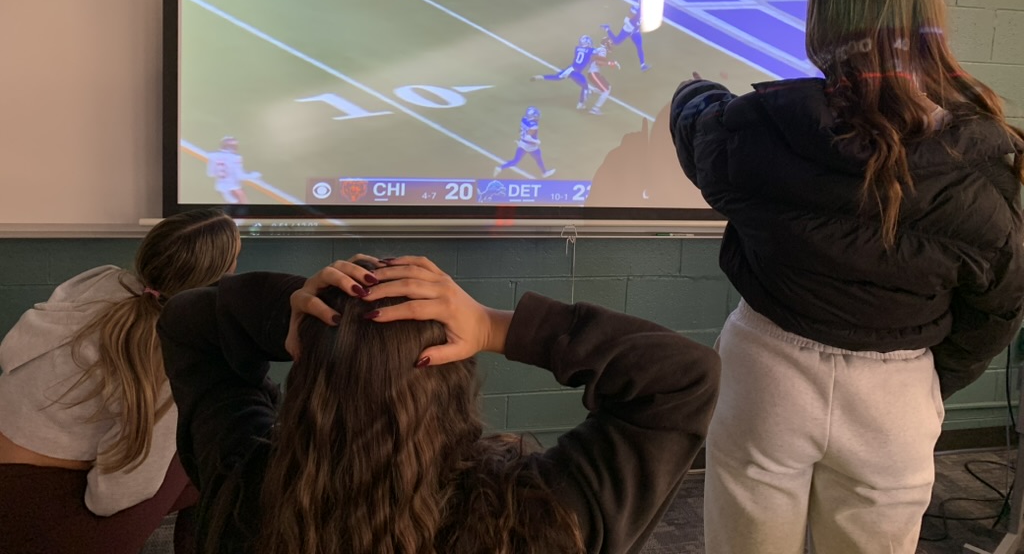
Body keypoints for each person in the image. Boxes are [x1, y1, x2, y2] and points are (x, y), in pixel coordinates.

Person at [669, 0, 1024, 554]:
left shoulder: (755, 131)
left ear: (824, 22)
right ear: (929, 22)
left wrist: (694, 91)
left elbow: (697, 128)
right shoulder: (982, 162)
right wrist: (930, 378)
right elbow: (998, 305)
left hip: (764, 371)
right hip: (896, 392)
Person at [156, 255, 721, 554]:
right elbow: (682, 379)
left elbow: (187, 321)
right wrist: (494, 325)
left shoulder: (246, 488)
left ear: (306, 371)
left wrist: (299, 314)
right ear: (457, 377)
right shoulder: (541, 521)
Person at [0, 208, 242, 554]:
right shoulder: (169, 352)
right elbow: (110, 498)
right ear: (219, 277)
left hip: (11, 466)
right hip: (36, 517)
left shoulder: (97, 281)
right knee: (206, 456)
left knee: (195, 470)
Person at [531, 34, 597, 110]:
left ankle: (540, 77)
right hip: (576, 72)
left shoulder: (577, 48)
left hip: (570, 69)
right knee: (585, 86)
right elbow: (596, 53)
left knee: (557, 77)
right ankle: (581, 104)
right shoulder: (591, 51)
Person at [494, 105, 556, 178]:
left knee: (515, 161)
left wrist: (521, 138)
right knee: (538, 158)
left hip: (522, 143)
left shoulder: (524, 119)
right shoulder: (534, 125)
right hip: (531, 146)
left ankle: (500, 168)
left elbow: (521, 130)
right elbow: (528, 137)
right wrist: (536, 141)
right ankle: (544, 172)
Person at [206, 136, 261, 204]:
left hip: (220, 187)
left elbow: (211, 174)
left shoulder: (213, 156)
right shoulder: (235, 158)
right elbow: (240, 176)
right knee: (244, 207)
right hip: (233, 189)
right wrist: (254, 175)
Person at [602, 2, 649, 71]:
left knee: (639, 46)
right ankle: (607, 29)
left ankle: (643, 65)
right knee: (616, 42)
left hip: (635, 32)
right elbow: (626, 20)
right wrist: (632, 28)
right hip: (628, 29)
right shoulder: (635, 9)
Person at [581, 35, 620, 115]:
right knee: (605, 91)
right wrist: (610, 63)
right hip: (593, 73)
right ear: (606, 44)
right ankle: (595, 109)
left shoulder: (600, 49)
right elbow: (598, 62)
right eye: (610, 43)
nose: (611, 45)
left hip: (594, 73)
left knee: (608, 87)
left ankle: (591, 91)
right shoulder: (603, 50)